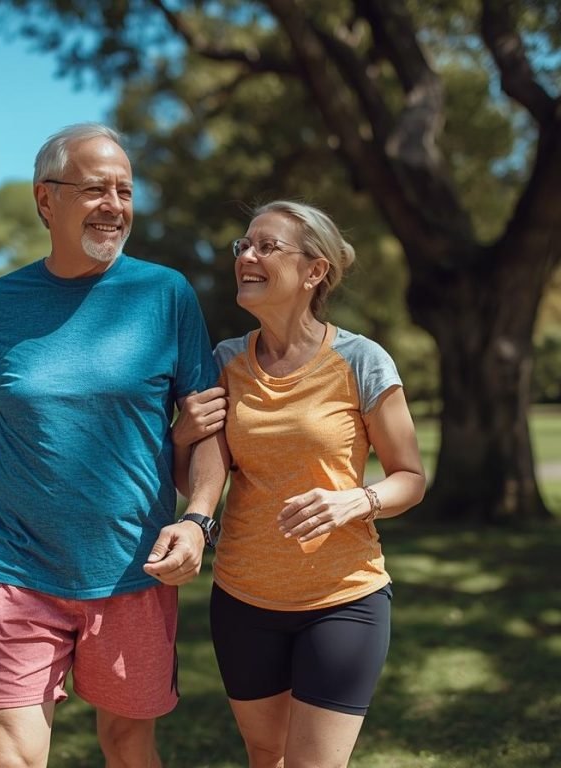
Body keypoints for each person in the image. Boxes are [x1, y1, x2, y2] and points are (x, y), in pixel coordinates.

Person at [0, 122, 226, 768]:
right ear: (44, 200)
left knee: (127, 746)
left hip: (132, 572)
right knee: (9, 757)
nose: (115, 205)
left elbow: (207, 428)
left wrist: (198, 520)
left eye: (126, 190)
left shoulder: (165, 296)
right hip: (18, 571)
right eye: (95, 189)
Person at [181, 200, 426, 768]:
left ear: (314, 271)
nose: (247, 255)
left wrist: (355, 501)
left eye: (267, 246)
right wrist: (180, 439)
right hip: (242, 598)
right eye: (243, 245)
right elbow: (196, 479)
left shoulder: (361, 360)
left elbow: (410, 478)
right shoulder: (225, 362)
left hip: (343, 599)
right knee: (266, 755)